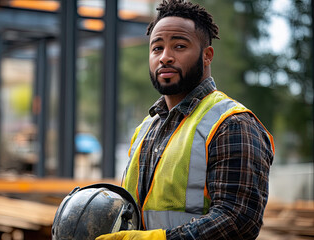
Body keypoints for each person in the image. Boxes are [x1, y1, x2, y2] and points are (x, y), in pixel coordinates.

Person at [96, 0, 275, 239]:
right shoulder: (145, 130)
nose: (165, 57)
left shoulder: (232, 124)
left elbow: (237, 220)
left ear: (207, 55)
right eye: (157, 48)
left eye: (179, 46)